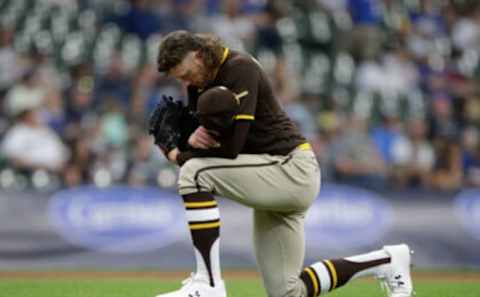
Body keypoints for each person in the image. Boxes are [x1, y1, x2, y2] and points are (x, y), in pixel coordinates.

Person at [153, 30, 413, 297]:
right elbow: (206, 144)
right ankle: (388, 261)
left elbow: (231, 149)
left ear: (198, 55)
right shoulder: (199, 83)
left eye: (185, 74)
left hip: (290, 167)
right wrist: (184, 141)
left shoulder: (239, 68)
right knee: (287, 292)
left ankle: (208, 283)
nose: (186, 81)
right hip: (270, 172)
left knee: (194, 173)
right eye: (180, 79)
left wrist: (176, 155)